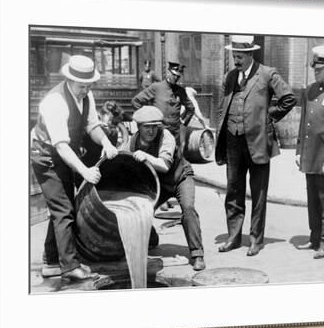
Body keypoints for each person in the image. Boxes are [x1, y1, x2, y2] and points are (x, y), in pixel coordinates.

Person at [30, 55, 118, 281]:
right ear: (69, 79)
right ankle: (69, 266)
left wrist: (106, 142)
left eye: (88, 85)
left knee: (62, 207)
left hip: (63, 153)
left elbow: (92, 125)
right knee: (63, 209)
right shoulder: (55, 102)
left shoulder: (86, 95)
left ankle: (51, 262)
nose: (85, 90)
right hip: (46, 155)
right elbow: (61, 145)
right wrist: (84, 171)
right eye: (81, 86)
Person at [215, 35, 296, 256]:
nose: (236, 61)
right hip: (233, 141)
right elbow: (223, 107)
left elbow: (289, 98)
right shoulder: (230, 77)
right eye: (234, 56)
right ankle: (233, 237)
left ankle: (256, 240)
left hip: (259, 142)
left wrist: (269, 116)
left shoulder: (268, 74)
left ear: (250, 54)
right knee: (233, 190)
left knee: (259, 194)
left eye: (240, 56)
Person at [129, 106, 205, 271]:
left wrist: (146, 156)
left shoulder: (166, 136)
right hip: (160, 184)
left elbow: (164, 165)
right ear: (138, 127)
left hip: (180, 178)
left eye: (154, 126)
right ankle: (151, 238)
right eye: (147, 126)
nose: (151, 130)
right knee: (142, 209)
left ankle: (197, 253)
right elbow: (120, 154)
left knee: (188, 208)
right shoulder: (132, 141)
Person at [295, 45, 324, 259]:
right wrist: (298, 149)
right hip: (310, 155)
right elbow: (304, 122)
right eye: (314, 69)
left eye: (320, 69)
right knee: (312, 199)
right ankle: (314, 238)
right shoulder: (310, 89)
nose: (316, 72)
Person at [132, 61, 195, 147]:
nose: (176, 78)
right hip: (158, 132)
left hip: (175, 132)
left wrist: (183, 122)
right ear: (168, 72)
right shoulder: (156, 87)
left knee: (175, 156)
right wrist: (147, 118)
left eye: (178, 76)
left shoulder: (180, 91)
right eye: (174, 75)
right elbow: (136, 101)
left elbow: (191, 108)